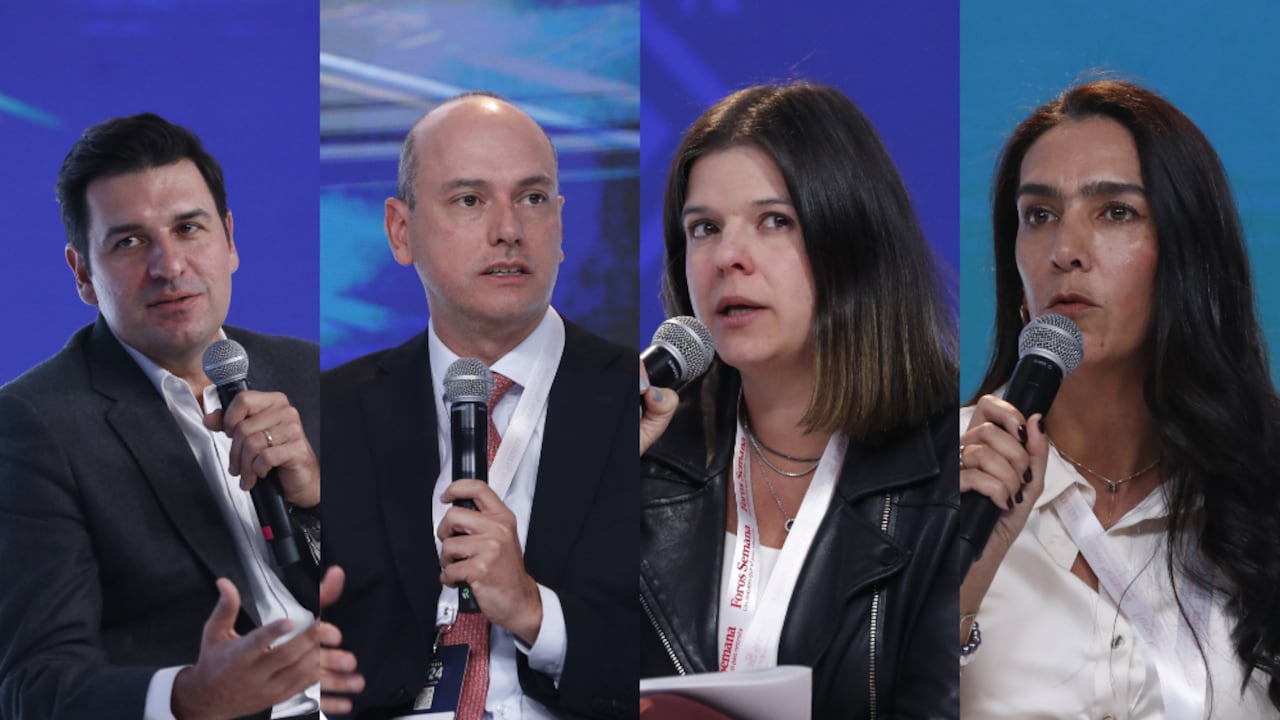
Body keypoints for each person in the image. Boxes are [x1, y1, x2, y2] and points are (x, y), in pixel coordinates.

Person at [0, 113, 351, 719]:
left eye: (189, 228)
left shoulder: (308, 374)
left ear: (230, 240)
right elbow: (34, 686)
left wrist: (317, 504)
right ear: (83, 273)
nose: (170, 266)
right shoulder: (35, 425)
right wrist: (188, 697)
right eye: (130, 241)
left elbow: (404, 595)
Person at [959, 79, 1280, 718]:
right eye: (1038, 216)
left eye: (1115, 212)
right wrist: (954, 587)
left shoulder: (1264, 479)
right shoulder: (931, 475)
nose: (1065, 252)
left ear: (1186, 254)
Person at [639, 82, 960, 719]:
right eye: (703, 228)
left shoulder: (956, 469)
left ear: (854, 238)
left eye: (774, 221)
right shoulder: (641, 450)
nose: (728, 257)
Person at [321, 92, 637, 719]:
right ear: (400, 230)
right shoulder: (330, 412)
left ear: (561, 224)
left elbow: (695, 653)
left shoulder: (646, 403)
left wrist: (533, 611)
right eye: (470, 200)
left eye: (533, 198)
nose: (509, 230)